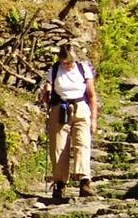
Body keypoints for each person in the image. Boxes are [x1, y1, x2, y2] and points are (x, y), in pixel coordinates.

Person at [38, 43, 98, 200]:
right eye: (64, 61)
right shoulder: (54, 70)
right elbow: (47, 89)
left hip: (81, 108)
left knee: (82, 144)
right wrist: (47, 91)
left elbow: (91, 96)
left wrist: (93, 119)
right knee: (58, 147)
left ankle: (84, 181)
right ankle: (60, 184)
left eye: (69, 62)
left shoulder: (83, 69)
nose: (67, 64)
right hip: (60, 109)